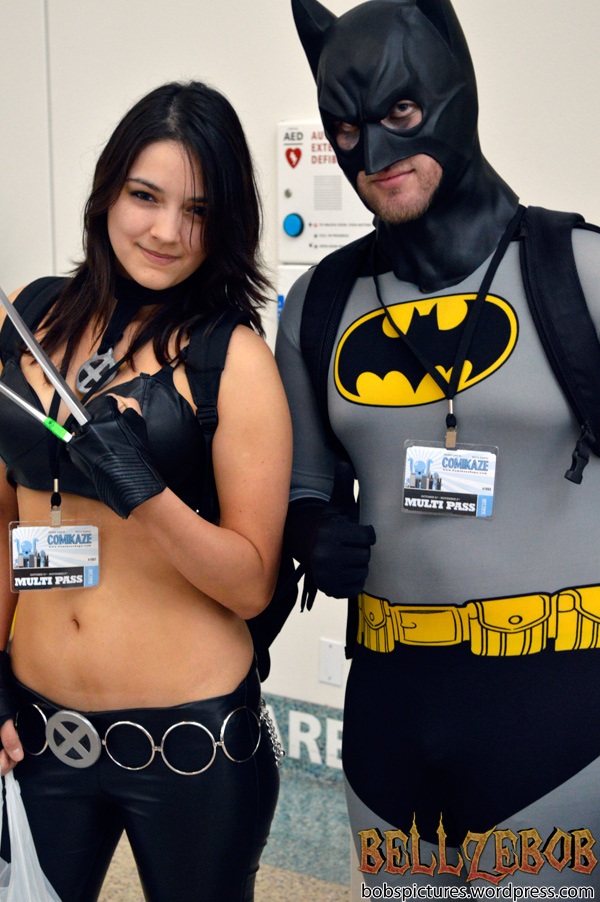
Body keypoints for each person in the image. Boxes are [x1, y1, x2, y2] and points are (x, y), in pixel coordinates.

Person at [276, 0, 600, 893]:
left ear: (457, 82)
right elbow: (304, 485)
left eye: (402, 112)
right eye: (348, 131)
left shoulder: (580, 272)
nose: (375, 155)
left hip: (558, 722)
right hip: (388, 722)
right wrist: (310, 529)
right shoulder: (320, 305)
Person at [0, 80, 292, 902]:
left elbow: (251, 583)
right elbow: (3, 518)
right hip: (37, 726)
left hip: (190, 741)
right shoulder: (28, 314)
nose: (166, 231)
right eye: (145, 196)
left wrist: (145, 491)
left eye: (197, 210)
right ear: (107, 193)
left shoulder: (232, 358)